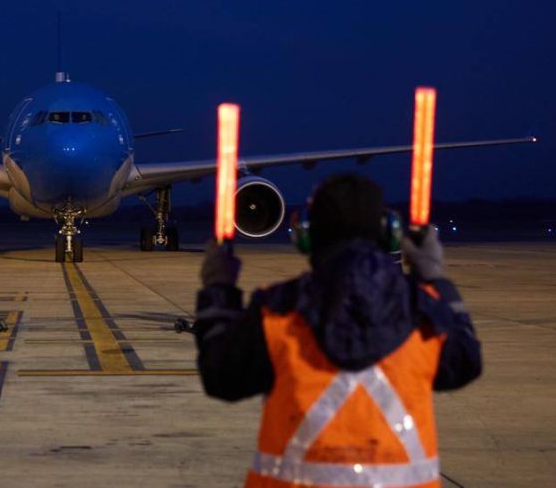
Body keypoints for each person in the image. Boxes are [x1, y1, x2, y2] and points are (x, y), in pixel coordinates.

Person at [195, 173, 481, 488]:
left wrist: (218, 288)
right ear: (388, 233)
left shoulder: (278, 310)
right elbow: (466, 362)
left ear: (305, 234)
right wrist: (434, 278)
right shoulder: (422, 313)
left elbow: (221, 377)